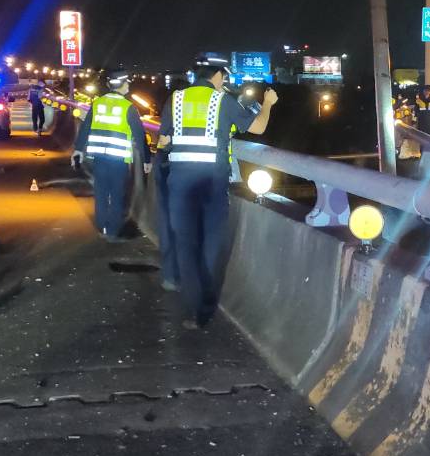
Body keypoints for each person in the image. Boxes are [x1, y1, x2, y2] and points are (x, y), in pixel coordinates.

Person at [157, 59, 277, 327]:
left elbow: (163, 141)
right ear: (218, 75)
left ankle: (192, 306)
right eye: (224, 77)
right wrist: (268, 103)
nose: (225, 82)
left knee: (186, 244)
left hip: (180, 183)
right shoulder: (222, 101)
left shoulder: (175, 100)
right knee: (211, 243)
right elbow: (257, 128)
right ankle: (205, 310)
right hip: (212, 183)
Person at [73, 69, 151, 242]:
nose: (129, 85)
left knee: (101, 193)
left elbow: (85, 127)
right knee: (116, 195)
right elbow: (140, 136)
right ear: (122, 85)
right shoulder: (128, 107)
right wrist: (147, 159)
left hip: (99, 157)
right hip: (118, 159)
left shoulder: (98, 103)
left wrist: (78, 150)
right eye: (127, 82)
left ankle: (102, 227)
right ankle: (113, 232)